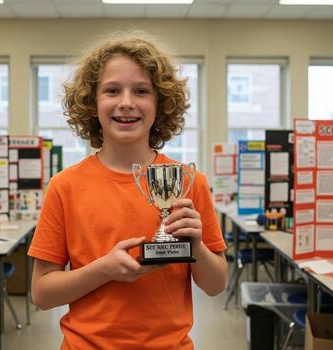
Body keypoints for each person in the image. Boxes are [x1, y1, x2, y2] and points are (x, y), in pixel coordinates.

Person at [28, 32, 228, 350]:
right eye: (111, 90)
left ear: (160, 103)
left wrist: (197, 248)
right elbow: (42, 294)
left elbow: (216, 285)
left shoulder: (189, 182)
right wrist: (105, 270)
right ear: (92, 102)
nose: (126, 102)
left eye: (141, 91)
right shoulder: (65, 186)